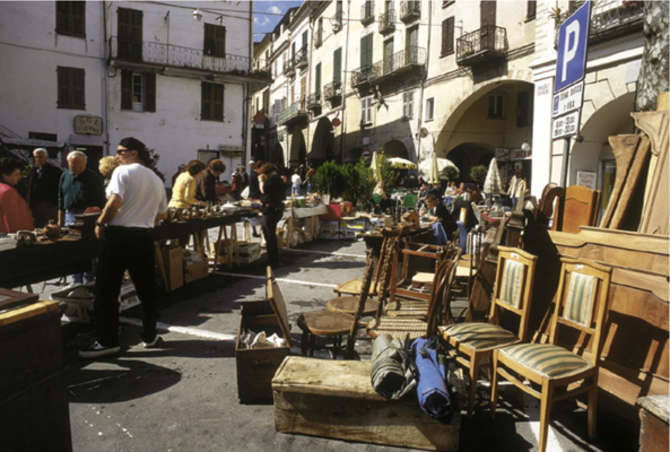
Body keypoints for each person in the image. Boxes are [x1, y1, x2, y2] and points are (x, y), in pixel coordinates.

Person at [79, 137, 168, 359]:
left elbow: (115, 202)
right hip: (143, 236)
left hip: (119, 236)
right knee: (146, 289)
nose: (117, 155)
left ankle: (107, 341)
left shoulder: (122, 172)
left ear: (133, 152)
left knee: (107, 290)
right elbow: (163, 214)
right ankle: (149, 335)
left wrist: (101, 222)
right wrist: (145, 219)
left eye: (120, 151)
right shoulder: (155, 179)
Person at [58, 150, 106, 285]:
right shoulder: (64, 176)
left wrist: (98, 220)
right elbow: (60, 199)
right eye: (72, 164)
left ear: (85, 163)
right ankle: (76, 282)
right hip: (69, 215)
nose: (75, 167)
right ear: (68, 163)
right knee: (72, 251)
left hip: (87, 218)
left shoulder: (93, 178)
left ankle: (88, 281)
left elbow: (101, 202)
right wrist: (60, 221)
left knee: (86, 250)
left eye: (79, 164)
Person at [258, 163, 284, 268]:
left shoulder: (272, 180)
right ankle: (273, 258)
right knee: (270, 234)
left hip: (271, 210)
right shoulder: (278, 179)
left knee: (269, 235)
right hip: (276, 209)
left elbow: (263, 190)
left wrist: (261, 181)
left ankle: (273, 260)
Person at [28, 148, 61, 227]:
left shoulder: (55, 171)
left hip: (50, 205)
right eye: (36, 157)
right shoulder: (33, 171)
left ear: (46, 158)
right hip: (35, 206)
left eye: (40, 157)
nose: (38, 159)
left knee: (49, 227)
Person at [0, 157, 34, 233]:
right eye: (16, 174)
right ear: (5, 175)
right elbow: (12, 220)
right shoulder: (7, 191)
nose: (19, 177)